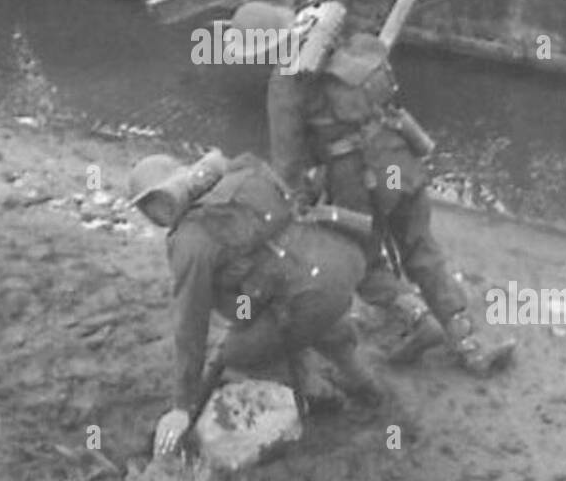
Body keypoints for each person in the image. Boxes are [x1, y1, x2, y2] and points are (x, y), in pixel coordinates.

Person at [260, 6, 517, 373]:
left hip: (357, 179)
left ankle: (416, 317)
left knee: (361, 259)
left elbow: (287, 163)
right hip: (398, 161)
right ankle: (468, 344)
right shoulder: (352, 47)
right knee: (421, 246)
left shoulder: (287, 81)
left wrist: (295, 204)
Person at [131, 149, 401, 458]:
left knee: (236, 353)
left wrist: (181, 406)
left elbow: (190, 325)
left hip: (306, 294)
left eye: (152, 206)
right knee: (274, 311)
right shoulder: (244, 171)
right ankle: (365, 385)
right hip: (342, 259)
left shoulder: (190, 242)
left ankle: (309, 394)